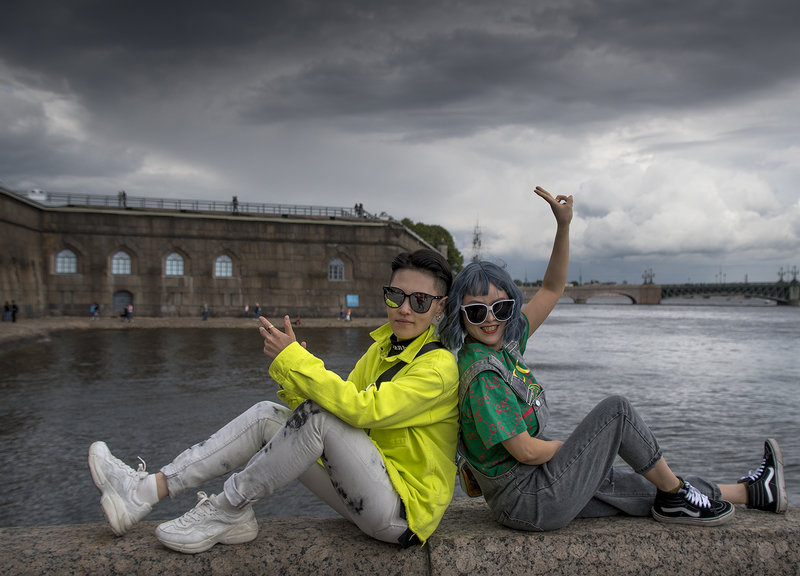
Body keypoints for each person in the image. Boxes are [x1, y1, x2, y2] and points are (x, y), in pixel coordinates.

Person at [437, 186, 787, 533]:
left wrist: (563, 226)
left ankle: (752, 492)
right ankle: (677, 496)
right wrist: (581, 451)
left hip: (536, 490)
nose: (490, 319)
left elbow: (552, 289)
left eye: (500, 308)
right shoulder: (483, 374)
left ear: (511, 307)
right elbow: (526, 451)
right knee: (616, 411)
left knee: (640, 485)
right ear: (460, 316)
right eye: (476, 311)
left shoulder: (505, 344)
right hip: (530, 500)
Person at [88, 248, 459, 553]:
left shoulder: (439, 367)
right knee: (267, 416)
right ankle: (146, 490)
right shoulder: (381, 351)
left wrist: (296, 360)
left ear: (440, 307)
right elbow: (334, 415)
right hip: (362, 490)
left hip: (401, 514)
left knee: (319, 415)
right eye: (395, 295)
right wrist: (291, 371)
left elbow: (362, 410)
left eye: (420, 300)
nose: (404, 308)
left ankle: (228, 508)